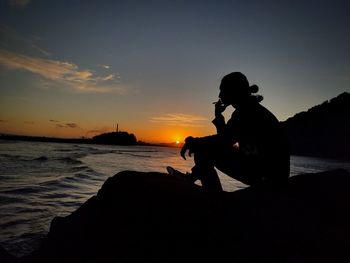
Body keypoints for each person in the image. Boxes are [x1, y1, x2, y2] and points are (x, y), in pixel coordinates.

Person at [180, 72, 290, 192]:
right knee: (206, 148)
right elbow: (226, 139)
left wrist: (193, 142)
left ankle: (213, 198)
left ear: (234, 91)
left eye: (222, 90)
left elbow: (223, 141)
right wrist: (218, 116)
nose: (219, 94)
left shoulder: (247, 112)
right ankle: (194, 177)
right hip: (269, 172)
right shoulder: (249, 108)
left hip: (267, 176)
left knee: (203, 151)